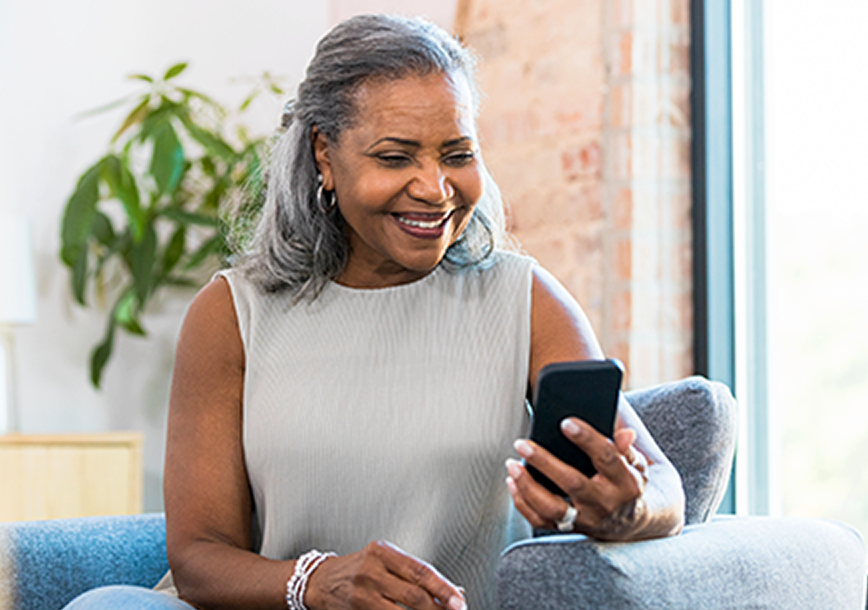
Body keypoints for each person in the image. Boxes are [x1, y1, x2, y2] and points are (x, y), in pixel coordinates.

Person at [65, 13, 684, 610]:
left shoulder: (524, 299)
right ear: (324, 156)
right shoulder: (232, 312)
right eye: (396, 157)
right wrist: (316, 583)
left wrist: (627, 508)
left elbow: (663, 487)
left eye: (457, 154)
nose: (435, 188)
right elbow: (198, 555)